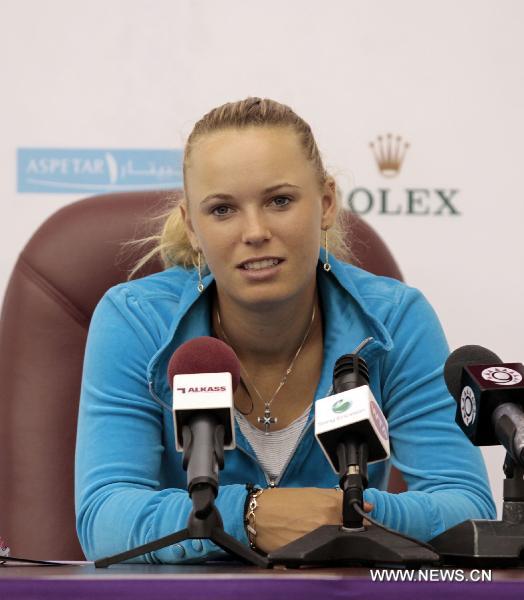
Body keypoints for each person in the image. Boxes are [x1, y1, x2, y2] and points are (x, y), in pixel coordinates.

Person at [75, 97, 495, 563]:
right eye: (222, 210)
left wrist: (335, 516)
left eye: (279, 201)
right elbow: (105, 519)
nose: (254, 231)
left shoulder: (396, 319)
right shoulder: (135, 320)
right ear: (192, 226)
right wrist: (254, 514)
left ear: (327, 203)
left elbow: (466, 507)